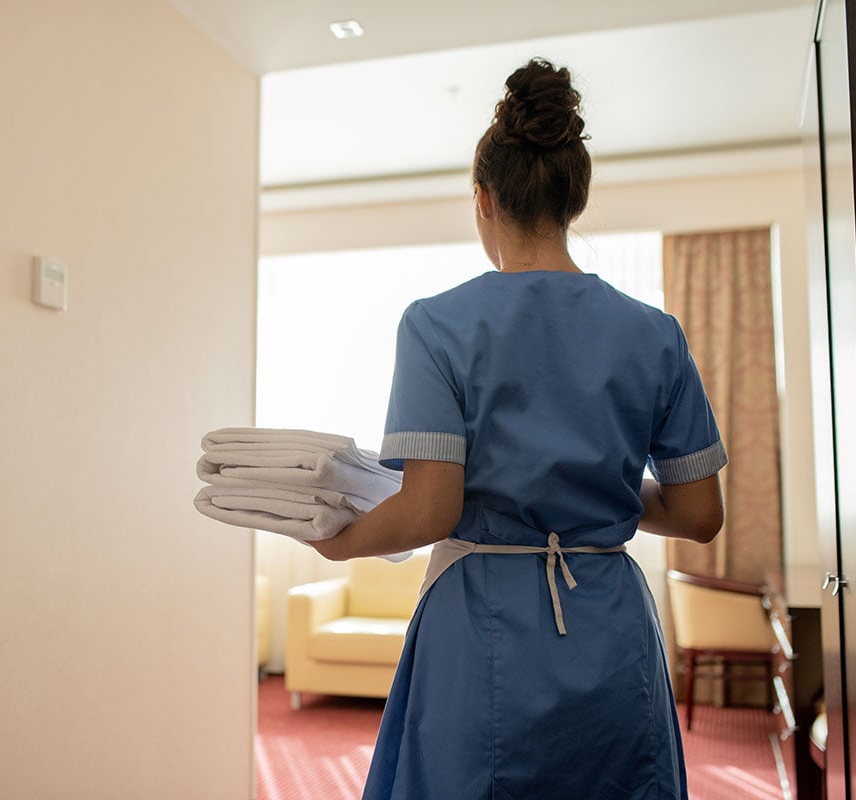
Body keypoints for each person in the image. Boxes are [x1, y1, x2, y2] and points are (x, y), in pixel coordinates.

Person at [310, 58, 726, 799]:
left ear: (482, 199)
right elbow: (699, 514)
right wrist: (603, 500)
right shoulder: (655, 335)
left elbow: (431, 508)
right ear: (576, 198)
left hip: (479, 622)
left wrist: (335, 541)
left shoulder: (436, 325)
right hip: (610, 628)